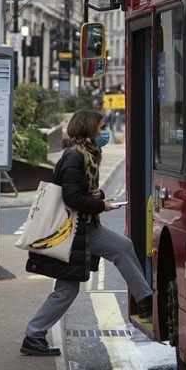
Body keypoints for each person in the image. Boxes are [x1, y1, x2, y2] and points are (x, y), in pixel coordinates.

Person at [21, 109, 153, 356]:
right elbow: (71, 197)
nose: (104, 133)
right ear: (89, 129)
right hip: (72, 231)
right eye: (101, 128)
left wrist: (99, 197)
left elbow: (81, 191)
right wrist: (101, 204)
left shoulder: (86, 155)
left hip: (81, 228)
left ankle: (34, 334)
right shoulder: (75, 156)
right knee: (118, 250)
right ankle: (145, 301)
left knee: (69, 288)